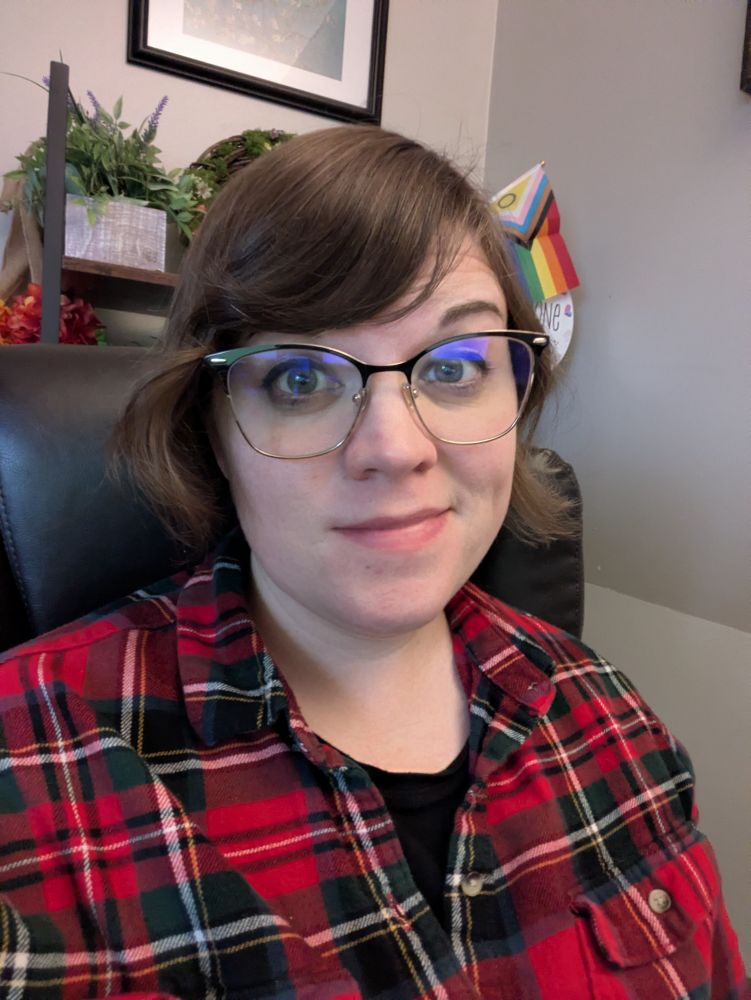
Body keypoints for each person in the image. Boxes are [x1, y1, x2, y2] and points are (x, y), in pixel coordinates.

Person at [0, 126, 744, 1000]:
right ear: (211, 425)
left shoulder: (614, 721)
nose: (395, 449)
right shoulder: (28, 767)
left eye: (458, 365)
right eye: (300, 380)